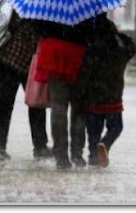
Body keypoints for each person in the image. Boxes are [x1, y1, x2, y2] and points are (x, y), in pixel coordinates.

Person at [0, 12, 52, 161]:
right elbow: (38, 34)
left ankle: (2, 147)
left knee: (8, 104)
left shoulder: (18, 4)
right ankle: (37, 146)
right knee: (29, 104)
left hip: (9, 60)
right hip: (13, 61)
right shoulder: (35, 11)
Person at [34, 18, 96, 169]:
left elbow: (38, 27)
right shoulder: (86, 0)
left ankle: (61, 155)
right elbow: (94, 31)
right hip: (78, 52)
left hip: (53, 50)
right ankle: (77, 152)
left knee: (58, 105)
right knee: (79, 106)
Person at [78, 14, 136, 168]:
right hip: (113, 95)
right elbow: (133, 48)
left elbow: (84, 73)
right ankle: (105, 143)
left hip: (93, 96)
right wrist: (117, 34)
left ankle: (93, 157)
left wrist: (81, 93)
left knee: (93, 132)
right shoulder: (120, 49)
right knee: (116, 127)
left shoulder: (91, 48)